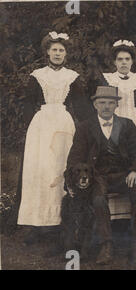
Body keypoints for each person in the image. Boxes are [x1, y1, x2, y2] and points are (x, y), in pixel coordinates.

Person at [17, 31, 94, 241]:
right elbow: (27, 103)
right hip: (41, 125)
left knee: (60, 167)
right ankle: (36, 222)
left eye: (61, 50)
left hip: (62, 123)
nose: (58, 53)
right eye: (54, 50)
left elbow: (81, 105)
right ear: (47, 52)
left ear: (66, 54)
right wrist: (29, 125)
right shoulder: (37, 75)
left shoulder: (72, 76)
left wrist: (89, 127)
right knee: (39, 170)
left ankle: (60, 221)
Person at [66, 86, 136, 265]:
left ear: (116, 105)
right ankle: (106, 245)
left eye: (111, 103)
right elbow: (75, 157)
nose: (106, 107)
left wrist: (135, 170)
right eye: (102, 102)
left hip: (124, 175)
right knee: (97, 199)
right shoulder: (85, 127)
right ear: (95, 104)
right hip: (97, 176)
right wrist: (71, 182)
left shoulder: (127, 125)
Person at [95, 39, 136, 128]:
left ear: (132, 61)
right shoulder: (108, 79)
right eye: (120, 59)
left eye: (127, 59)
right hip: (114, 119)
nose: (124, 62)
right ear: (115, 62)